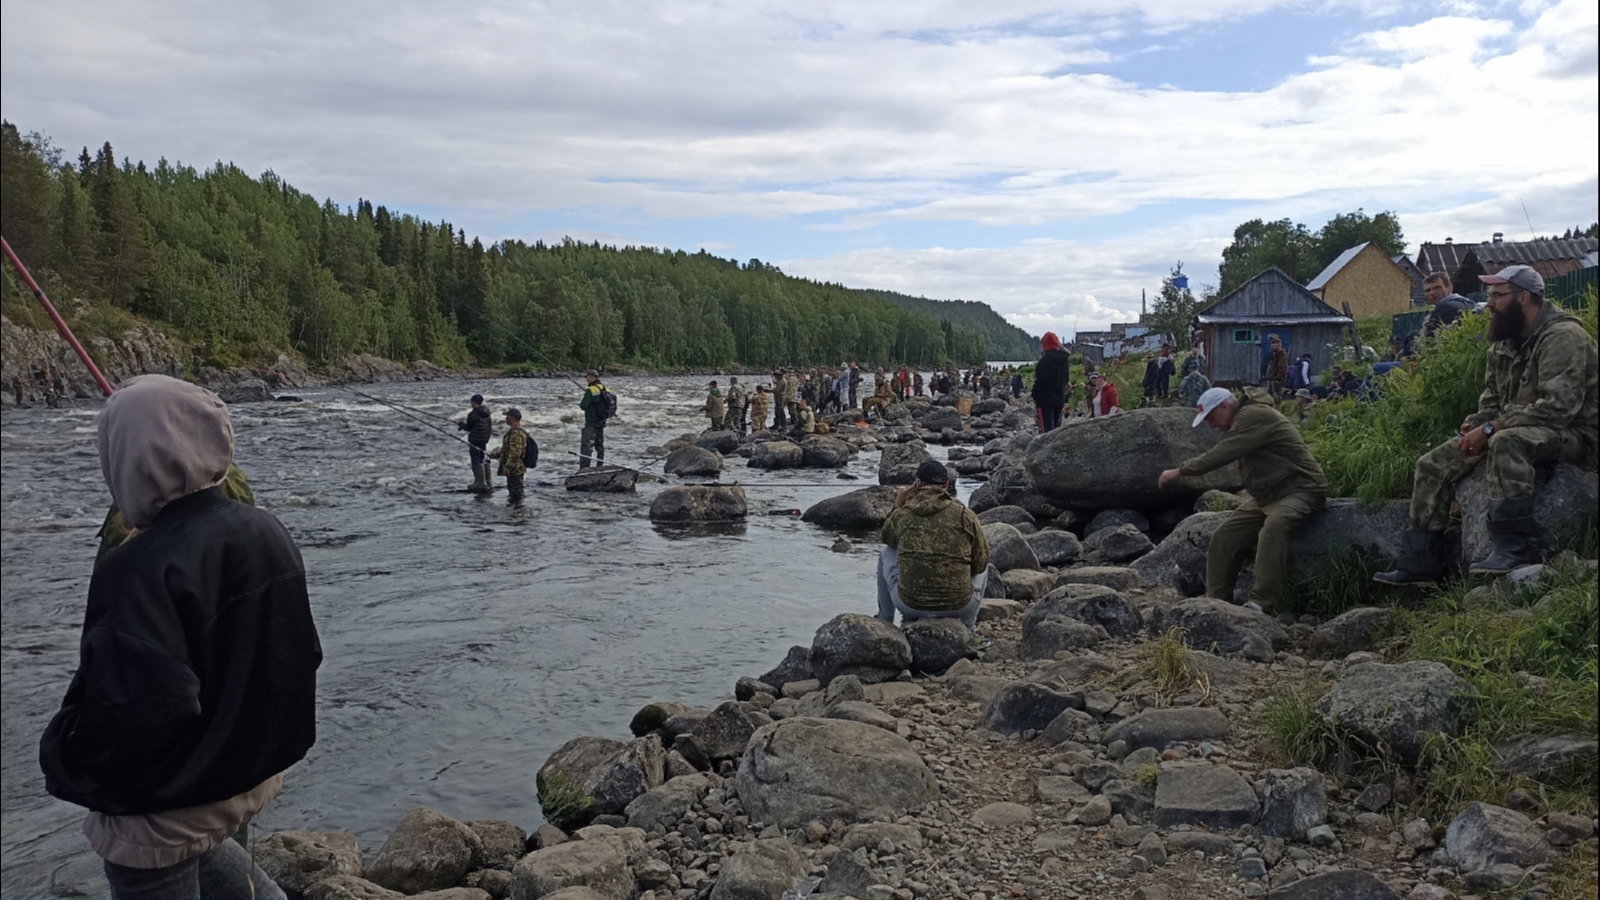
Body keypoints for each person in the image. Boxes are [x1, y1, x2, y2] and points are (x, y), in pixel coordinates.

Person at [40, 375, 320, 900]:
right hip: (248, 777)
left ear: (124, 457)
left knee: (150, 856)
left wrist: (62, 755)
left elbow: (135, 717)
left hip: (173, 803)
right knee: (215, 854)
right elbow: (304, 656)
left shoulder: (136, 566)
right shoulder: (268, 530)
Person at [1376, 265, 1599, 583]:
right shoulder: (1504, 342)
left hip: (1579, 433)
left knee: (1506, 442)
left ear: (1523, 297)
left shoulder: (1563, 337)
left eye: (1497, 295)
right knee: (1432, 463)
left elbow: (1558, 408)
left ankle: (1512, 548)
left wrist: (1493, 427)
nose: (1489, 303)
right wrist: (1476, 425)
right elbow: (1491, 400)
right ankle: (1419, 563)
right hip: (1523, 426)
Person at [1158, 385, 1327, 612]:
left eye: (1211, 417)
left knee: (1274, 528)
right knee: (1224, 537)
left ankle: (1262, 603)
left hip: (1301, 489)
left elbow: (1223, 452)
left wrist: (1180, 471)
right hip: (1268, 495)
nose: (1212, 425)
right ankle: (1216, 603)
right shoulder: (1244, 420)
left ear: (1225, 406)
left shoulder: (1254, 416)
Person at [876, 460, 990, 631]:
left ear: (917, 484)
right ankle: (967, 629)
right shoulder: (965, 515)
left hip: (910, 605)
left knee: (886, 553)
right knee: (986, 564)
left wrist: (898, 505)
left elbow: (887, 537)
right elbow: (980, 563)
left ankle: (885, 625)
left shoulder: (903, 515)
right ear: (946, 484)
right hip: (959, 606)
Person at [1031, 331, 1071, 433]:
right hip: (1059, 399)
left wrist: (1034, 394)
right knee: (1056, 430)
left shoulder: (1044, 362)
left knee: (1046, 431)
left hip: (1045, 401)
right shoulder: (1065, 361)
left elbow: (1040, 382)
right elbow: (1066, 379)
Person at [489, 407, 531, 503]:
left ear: (512, 418)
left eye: (507, 416)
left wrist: (508, 467)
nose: (505, 419)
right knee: (516, 492)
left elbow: (515, 452)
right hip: (517, 467)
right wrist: (496, 455)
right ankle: (516, 513)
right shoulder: (518, 431)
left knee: (515, 494)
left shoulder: (516, 433)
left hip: (515, 469)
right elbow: (509, 450)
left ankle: (516, 514)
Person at [457, 393, 493, 492]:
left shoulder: (473, 414)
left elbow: (468, 428)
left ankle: (479, 482)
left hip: (475, 440)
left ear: (473, 402)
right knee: (482, 457)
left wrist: (461, 424)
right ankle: (487, 480)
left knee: (475, 459)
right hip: (484, 439)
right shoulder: (487, 412)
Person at [1422, 272, 1475, 337]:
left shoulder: (1447, 308)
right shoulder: (1466, 303)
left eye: (1437, 288)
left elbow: (1433, 340)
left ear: (1450, 288)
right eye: (1428, 290)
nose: (1432, 293)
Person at [578, 370, 609, 469]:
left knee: (586, 445)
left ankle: (584, 468)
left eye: (588, 377)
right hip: (602, 421)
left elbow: (583, 405)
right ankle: (600, 466)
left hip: (591, 422)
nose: (587, 379)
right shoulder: (605, 388)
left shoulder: (591, 390)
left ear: (593, 378)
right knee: (600, 446)